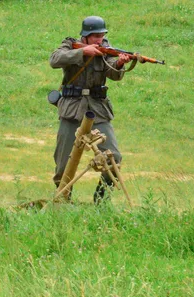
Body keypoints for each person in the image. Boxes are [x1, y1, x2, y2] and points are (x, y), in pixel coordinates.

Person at [49, 16, 132, 203]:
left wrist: (119, 63)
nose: (99, 39)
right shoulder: (70, 45)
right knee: (63, 164)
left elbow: (114, 74)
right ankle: (63, 202)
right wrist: (83, 53)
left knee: (114, 159)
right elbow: (54, 60)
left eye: (101, 35)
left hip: (98, 109)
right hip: (72, 109)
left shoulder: (106, 50)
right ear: (85, 37)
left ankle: (101, 201)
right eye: (95, 36)